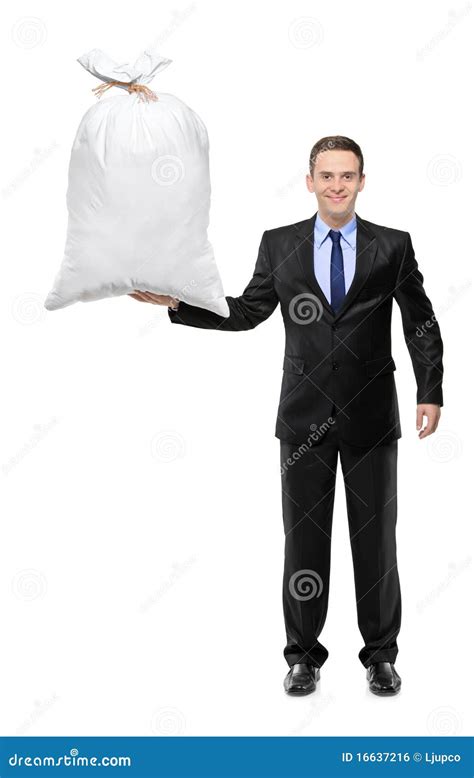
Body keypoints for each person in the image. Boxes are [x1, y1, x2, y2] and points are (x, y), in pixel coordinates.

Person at [129, 136, 444, 697]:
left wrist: (430, 390)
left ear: (362, 182)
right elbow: (247, 313)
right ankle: (302, 656)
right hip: (303, 421)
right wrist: (179, 302)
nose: (337, 186)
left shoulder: (392, 246)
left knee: (377, 545)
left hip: (372, 419)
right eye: (327, 176)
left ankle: (381, 656)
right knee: (304, 544)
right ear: (310, 181)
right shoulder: (281, 245)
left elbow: (420, 320)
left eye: (347, 176)